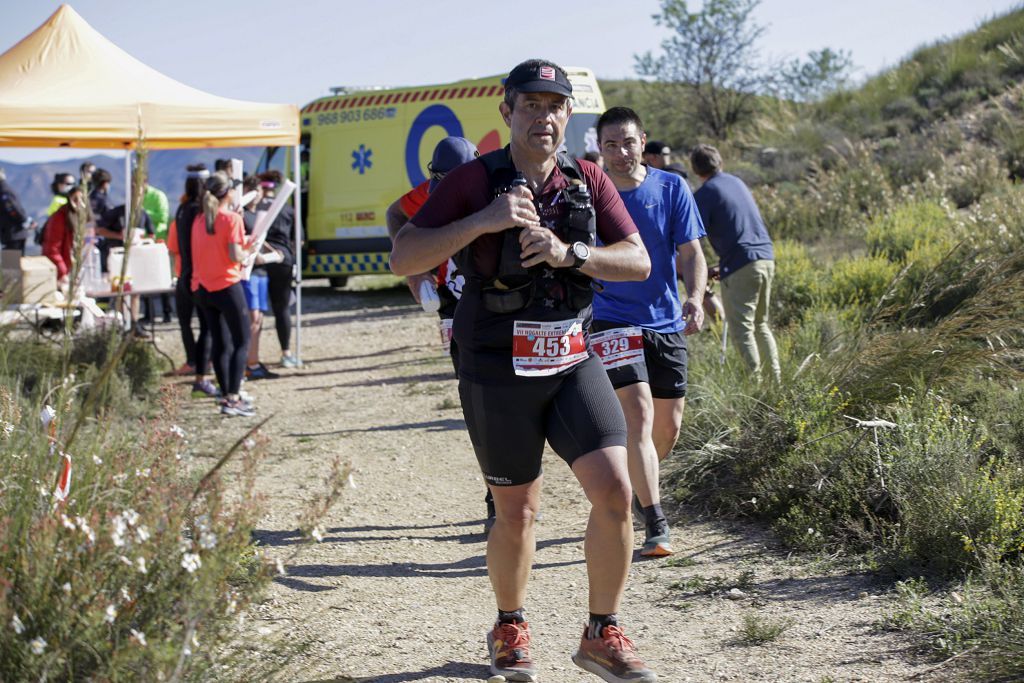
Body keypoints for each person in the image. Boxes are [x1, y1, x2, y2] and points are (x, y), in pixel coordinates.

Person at [391, 59, 657, 683]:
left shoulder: (587, 177)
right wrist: (483, 221)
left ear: (568, 115)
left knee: (616, 492)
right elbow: (405, 251)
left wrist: (573, 254)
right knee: (518, 511)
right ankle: (509, 622)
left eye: (554, 105)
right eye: (530, 105)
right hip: (496, 366)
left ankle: (602, 632)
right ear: (507, 113)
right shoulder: (472, 180)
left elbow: (639, 260)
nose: (543, 115)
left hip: (570, 356)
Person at [593, 107, 707, 558]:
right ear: (599, 149)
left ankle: (636, 483)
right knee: (637, 414)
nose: (620, 153)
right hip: (611, 318)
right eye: (610, 145)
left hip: (664, 319)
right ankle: (656, 521)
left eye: (627, 142)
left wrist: (695, 297)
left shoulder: (672, 187)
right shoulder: (591, 194)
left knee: (668, 427)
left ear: (644, 140)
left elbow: (691, 251)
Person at [385, 136, 490, 526]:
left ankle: (512, 489)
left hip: (499, 305)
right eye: (440, 184)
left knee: (508, 402)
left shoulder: (495, 185)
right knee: (474, 397)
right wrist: (415, 267)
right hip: (452, 305)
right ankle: (495, 493)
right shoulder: (429, 193)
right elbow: (395, 212)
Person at [691, 143, 781, 382]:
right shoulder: (737, 182)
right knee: (760, 325)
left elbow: (690, 237)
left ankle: (757, 386)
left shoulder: (704, 194)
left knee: (742, 330)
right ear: (719, 162)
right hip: (765, 258)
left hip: (741, 264)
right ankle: (776, 383)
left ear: (696, 170)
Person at [191, 171, 256, 417]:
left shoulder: (200, 220)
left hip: (204, 288)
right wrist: (248, 250)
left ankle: (226, 395)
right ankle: (233, 396)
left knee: (220, 342)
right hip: (227, 285)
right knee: (242, 341)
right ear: (228, 193)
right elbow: (234, 255)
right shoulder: (230, 219)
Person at [168, 164, 217, 395]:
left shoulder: (181, 208)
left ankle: (192, 361)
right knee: (207, 326)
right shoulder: (201, 210)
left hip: (183, 273)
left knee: (186, 322)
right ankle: (203, 367)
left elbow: (175, 245)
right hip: (200, 275)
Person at [256, 170, 300, 369]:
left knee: (255, 311)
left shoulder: (256, 207)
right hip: (284, 260)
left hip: (260, 260)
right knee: (281, 308)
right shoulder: (288, 209)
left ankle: (252, 356)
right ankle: (286, 352)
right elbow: (298, 239)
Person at [241, 176, 279, 380]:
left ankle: (254, 360)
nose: (256, 193)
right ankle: (248, 363)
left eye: (258, 189)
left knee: (260, 319)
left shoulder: (259, 214)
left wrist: (274, 253)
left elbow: (261, 239)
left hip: (261, 272)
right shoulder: (241, 214)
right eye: (252, 189)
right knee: (252, 318)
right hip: (249, 273)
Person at [42, 184, 89, 288]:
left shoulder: (82, 217)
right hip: (62, 272)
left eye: (82, 199)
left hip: (76, 269)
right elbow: (52, 248)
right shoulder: (59, 218)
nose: (79, 203)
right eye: (75, 199)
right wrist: (62, 273)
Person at [142, 176, 173, 323]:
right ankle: (149, 313)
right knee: (144, 278)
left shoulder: (158, 196)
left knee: (161, 277)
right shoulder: (135, 196)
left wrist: (145, 214)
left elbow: (163, 219)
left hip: (158, 241)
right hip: (142, 243)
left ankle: (167, 312)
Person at [0, 168, 36, 253]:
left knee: (11, 265)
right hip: (12, 234)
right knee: (11, 264)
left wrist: (24, 221)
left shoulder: (3, 191)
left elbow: (13, 209)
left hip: (14, 234)